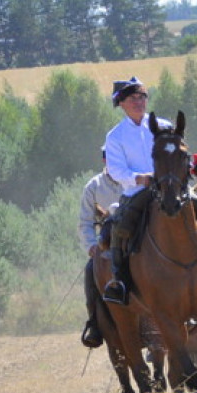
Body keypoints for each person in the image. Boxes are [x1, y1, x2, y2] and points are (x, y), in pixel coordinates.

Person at [102, 77, 197, 304]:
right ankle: (119, 281)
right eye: (132, 98)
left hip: (173, 188)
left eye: (142, 97)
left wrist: (182, 172)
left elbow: (182, 154)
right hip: (139, 191)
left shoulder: (166, 126)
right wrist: (139, 178)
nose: (138, 102)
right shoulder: (115, 136)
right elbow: (116, 170)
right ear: (122, 103)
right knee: (120, 226)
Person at [78, 146, 123, 348]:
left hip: (136, 243)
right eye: (111, 159)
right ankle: (95, 324)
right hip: (105, 248)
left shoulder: (133, 180)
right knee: (90, 272)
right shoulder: (93, 186)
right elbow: (85, 222)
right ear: (105, 161)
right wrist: (91, 247)